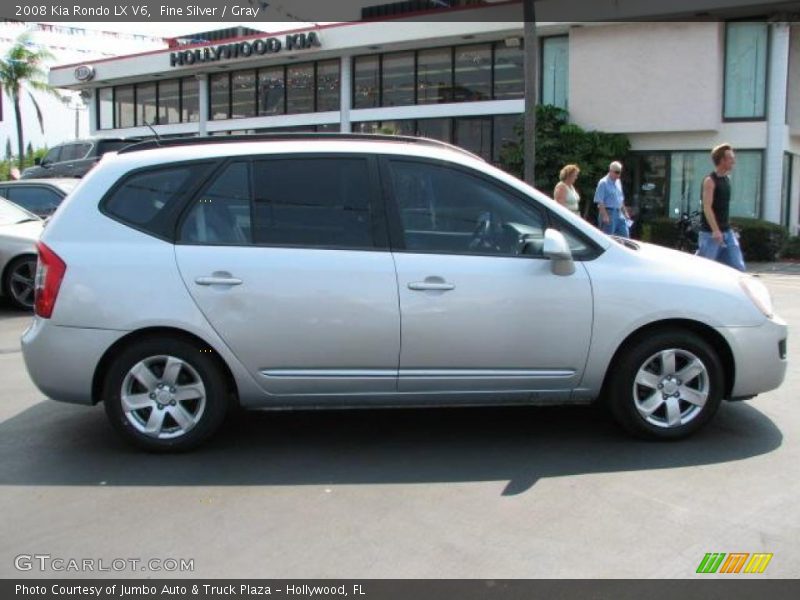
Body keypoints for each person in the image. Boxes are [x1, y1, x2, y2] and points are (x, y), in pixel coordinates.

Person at [696, 143, 745, 271]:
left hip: (727, 232)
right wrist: (716, 230)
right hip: (710, 234)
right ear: (722, 160)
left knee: (738, 268)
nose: (733, 161)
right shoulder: (710, 181)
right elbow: (707, 207)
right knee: (705, 270)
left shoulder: (726, 180)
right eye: (730, 158)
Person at [593, 161, 630, 237]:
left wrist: (625, 213)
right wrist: (605, 216)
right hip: (608, 212)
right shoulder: (603, 182)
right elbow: (600, 201)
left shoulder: (618, 182)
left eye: (619, 172)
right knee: (608, 238)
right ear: (610, 171)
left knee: (625, 236)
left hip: (619, 213)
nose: (618, 175)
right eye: (616, 172)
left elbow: (620, 199)